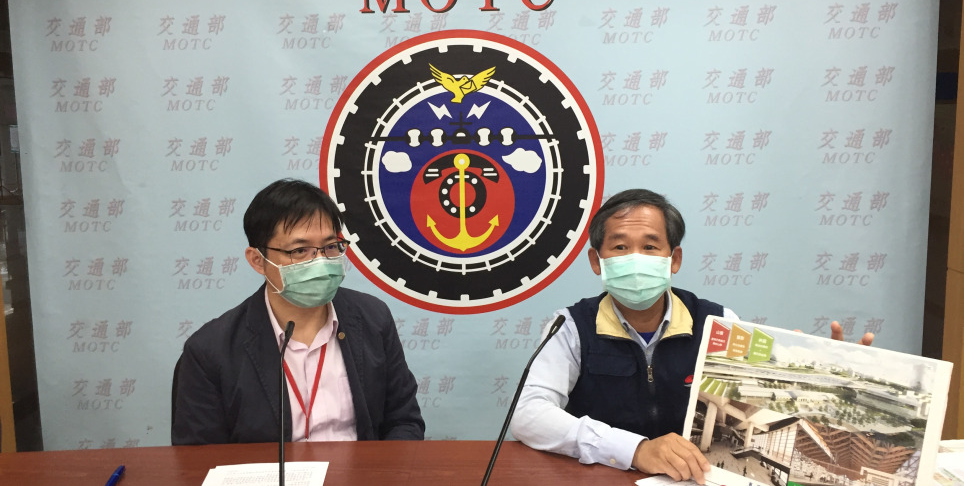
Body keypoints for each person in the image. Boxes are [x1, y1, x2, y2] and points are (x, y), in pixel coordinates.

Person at [509, 189, 872, 483]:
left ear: (674, 259)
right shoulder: (570, 325)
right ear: (596, 261)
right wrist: (635, 450)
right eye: (620, 247)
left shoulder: (719, 322)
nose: (635, 258)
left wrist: (825, 386)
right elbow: (528, 415)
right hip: (600, 478)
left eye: (650, 246)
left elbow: (765, 406)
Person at [172, 178, 424, 444]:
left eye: (330, 247)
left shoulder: (373, 318)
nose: (320, 262)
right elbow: (199, 455)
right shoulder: (210, 351)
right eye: (300, 250)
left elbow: (404, 421)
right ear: (258, 260)